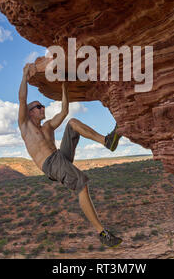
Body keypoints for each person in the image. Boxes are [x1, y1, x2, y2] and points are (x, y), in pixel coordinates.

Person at [18, 63, 123, 248]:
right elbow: (22, 98)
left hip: (60, 156)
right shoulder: (25, 126)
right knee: (81, 186)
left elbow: (64, 111)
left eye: (42, 106)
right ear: (30, 112)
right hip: (50, 164)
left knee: (72, 122)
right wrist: (25, 75)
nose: (43, 108)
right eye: (38, 106)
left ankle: (107, 142)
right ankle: (102, 233)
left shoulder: (48, 126)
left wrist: (64, 87)